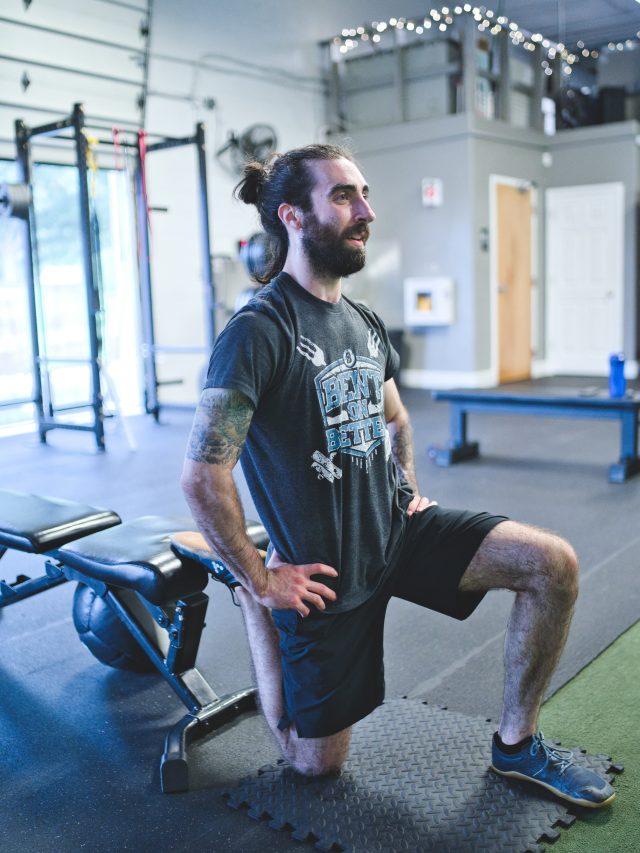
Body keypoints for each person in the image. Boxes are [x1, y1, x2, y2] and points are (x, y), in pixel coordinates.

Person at [177, 143, 614, 808]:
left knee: (552, 564)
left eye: (365, 194)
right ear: (293, 216)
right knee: (313, 763)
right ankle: (252, 604)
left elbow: (398, 419)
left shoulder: (363, 321)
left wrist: (406, 487)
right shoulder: (259, 328)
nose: (367, 212)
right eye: (345, 196)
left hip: (394, 531)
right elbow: (204, 477)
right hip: (321, 574)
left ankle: (517, 745)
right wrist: (261, 580)